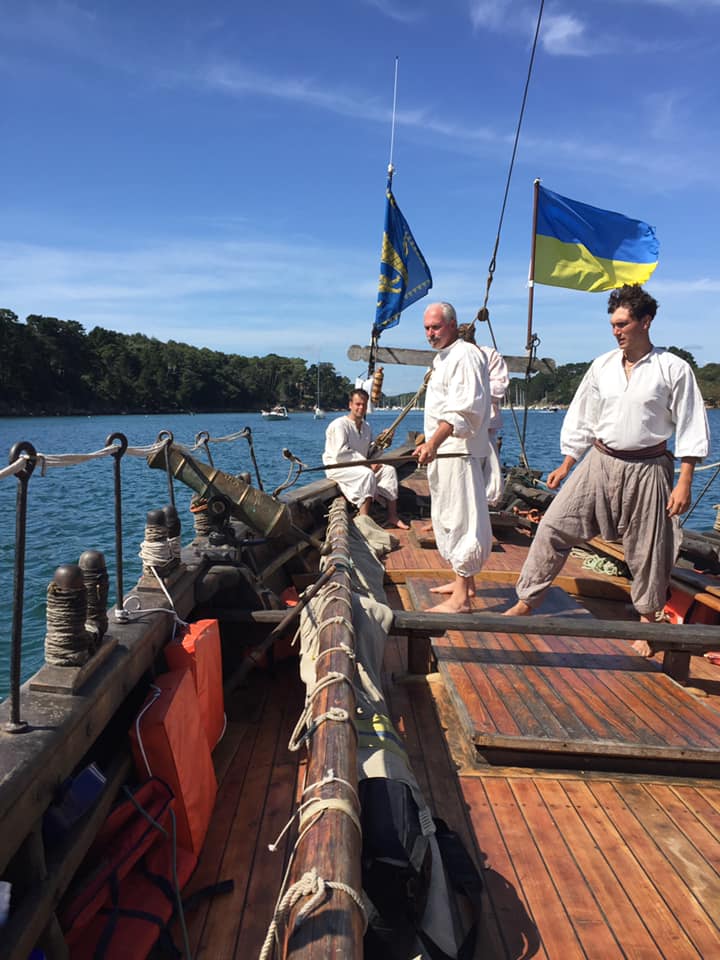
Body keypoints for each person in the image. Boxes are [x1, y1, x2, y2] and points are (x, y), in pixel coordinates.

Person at [504, 284, 710, 656]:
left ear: (646, 322)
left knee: (649, 549)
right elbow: (584, 416)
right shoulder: (602, 366)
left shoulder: (673, 368)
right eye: (613, 324)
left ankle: (648, 625)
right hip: (599, 461)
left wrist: (685, 481)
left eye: (623, 324)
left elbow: (692, 424)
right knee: (554, 526)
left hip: (649, 468)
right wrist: (568, 461)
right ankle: (527, 601)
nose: (616, 331)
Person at [414, 302, 493, 612]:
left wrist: (433, 442)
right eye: (426, 328)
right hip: (445, 452)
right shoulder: (442, 359)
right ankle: (465, 583)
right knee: (448, 515)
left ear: (452, 325)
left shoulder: (466, 355)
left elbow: (465, 409)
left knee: (462, 519)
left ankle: (461, 599)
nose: (430, 333)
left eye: (435, 327)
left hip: (458, 452)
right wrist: (432, 444)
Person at [323, 388, 409, 529]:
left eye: (364, 404)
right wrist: (367, 465)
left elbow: (370, 453)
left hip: (360, 465)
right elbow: (340, 454)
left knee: (389, 471)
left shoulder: (366, 427)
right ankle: (365, 521)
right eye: (357, 404)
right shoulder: (339, 425)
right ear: (350, 405)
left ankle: (393, 516)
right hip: (338, 467)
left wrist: (383, 442)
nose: (361, 408)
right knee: (367, 474)